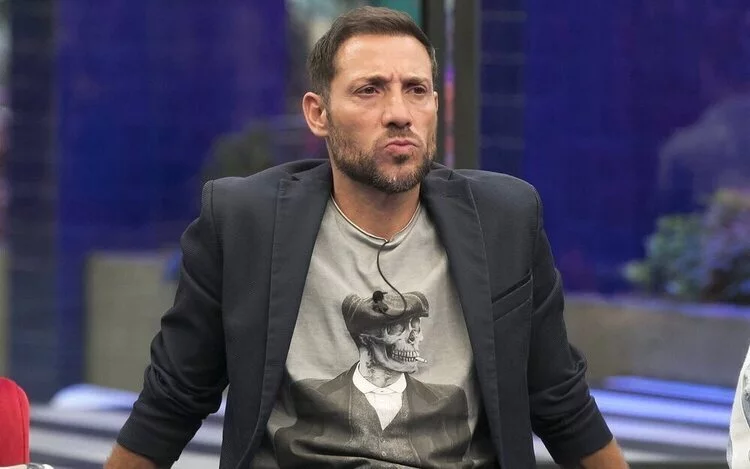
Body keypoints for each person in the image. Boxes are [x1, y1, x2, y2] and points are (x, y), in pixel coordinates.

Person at [105, 6, 628, 468]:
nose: (399, 113)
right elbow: (174, 400)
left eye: (416, 90)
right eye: (369, 89)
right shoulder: (245, 221)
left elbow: (559, 400)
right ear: (318, 114)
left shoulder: (505, 219)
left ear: (435, 106)